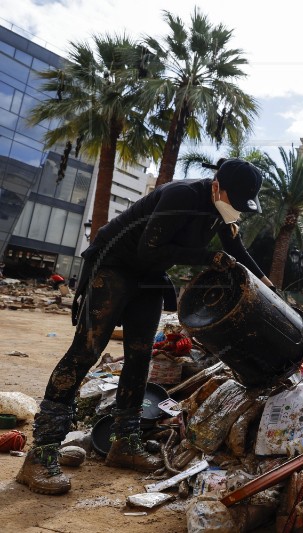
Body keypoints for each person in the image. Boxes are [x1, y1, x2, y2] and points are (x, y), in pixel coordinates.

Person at [17, 158, 274, 495]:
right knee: (86, 352)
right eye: (233, 201)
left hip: (150, 276)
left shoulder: (221, 211)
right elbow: (149, 248)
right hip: (114, 265)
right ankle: (41, 454)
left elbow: (235, 250)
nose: (235, 211)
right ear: (216, 187)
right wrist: (207, 258)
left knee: (140, 357)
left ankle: (125, 444)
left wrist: (267, 286)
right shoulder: (181, 195)